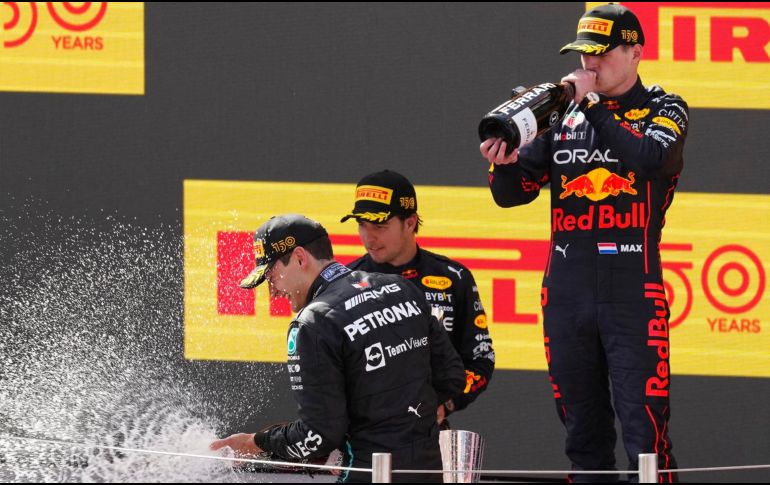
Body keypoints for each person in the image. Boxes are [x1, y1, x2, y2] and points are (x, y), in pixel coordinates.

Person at [479, 4, 687, 482]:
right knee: (583, 441)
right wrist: (505, 160)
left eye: (600, 53)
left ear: (635, 52)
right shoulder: (557, 113)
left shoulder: (664, 107)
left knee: (646, 439)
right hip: (568, 292)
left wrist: (589, 103)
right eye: (582, 55)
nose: (589, 64)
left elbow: (652, 160)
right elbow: (511, 196)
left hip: (634, 291)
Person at [210, 213, 465, 483]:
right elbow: (452, 378)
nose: (273, 290)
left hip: (368, 475)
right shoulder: (401, 288)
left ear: (299, 258)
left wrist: (252, 443)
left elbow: (317, 436)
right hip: (429, 472)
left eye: (271, 274)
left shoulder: (313, 322)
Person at [340, 170, 495, 425]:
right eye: (361, 225)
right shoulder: (343, 283)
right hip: (361, 435)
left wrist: (446, 403)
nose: (369, 237)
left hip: (426, 433)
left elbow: (481, 358)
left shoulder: (454, 278)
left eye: (379, 226)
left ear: (410, 223)